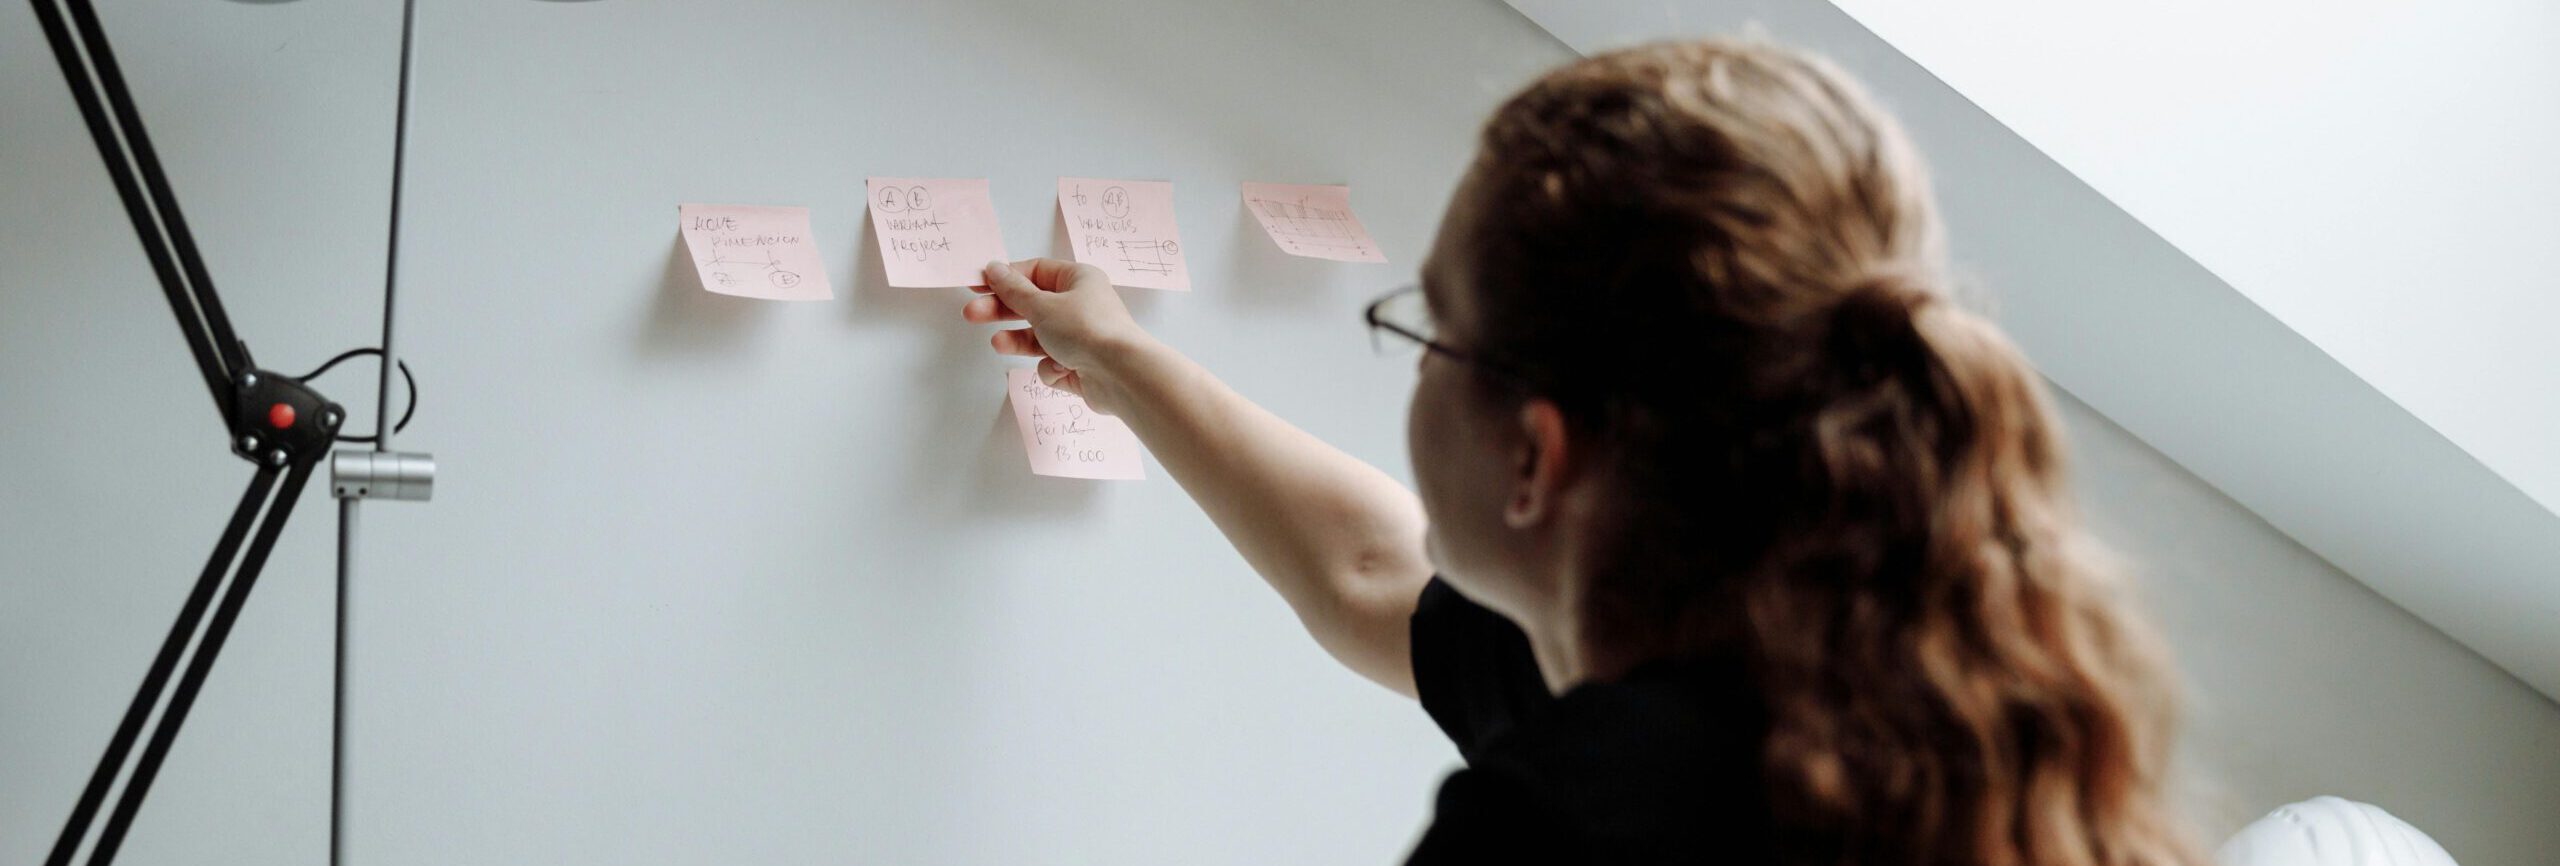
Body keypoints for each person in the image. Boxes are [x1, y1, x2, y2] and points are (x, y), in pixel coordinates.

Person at [963, 38, 2204, 866]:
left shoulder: (1577, 815)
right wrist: (1119, 361)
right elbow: (1373, 578)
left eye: (1430, 327)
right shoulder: (1883, 705)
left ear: (1536, 457)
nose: (1419, 354)